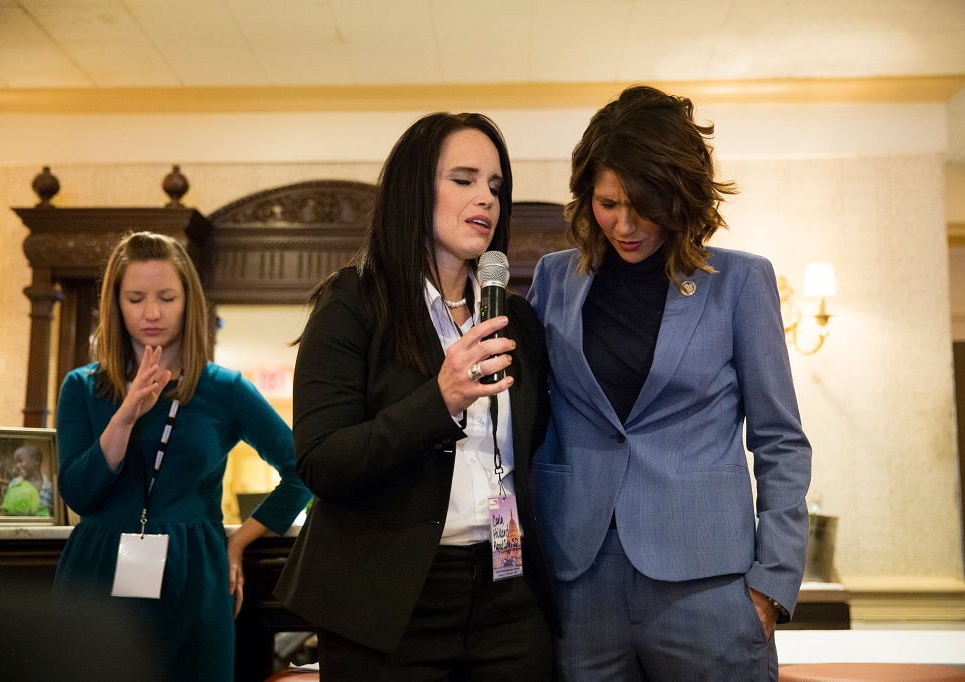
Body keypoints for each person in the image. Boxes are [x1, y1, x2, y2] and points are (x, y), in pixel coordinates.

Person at [528, 85, 813, 680]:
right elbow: (529, 420)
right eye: (608, 204)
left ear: (681, 196)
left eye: (644, 204)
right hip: (579, 578)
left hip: (709, 584)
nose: (625, 224)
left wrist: (772, 584)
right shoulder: (554, 280)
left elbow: (780, 441)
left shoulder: (740, 281)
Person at [276, 112, 558, 680]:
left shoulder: (516, 319)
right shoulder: (353, 303)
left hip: (507, 591)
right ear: (413, 190)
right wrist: (440, 399)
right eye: (464, 179)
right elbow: (322, 462)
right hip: (388, 601)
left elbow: (534, 451)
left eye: (496, 186)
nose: (486, 198)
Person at [53, 231, 311, 682]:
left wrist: (239, 541)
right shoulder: (82, 387)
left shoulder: (224, 388)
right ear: (115, 304)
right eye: (135, 298)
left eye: (167, 297)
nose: (152, 313)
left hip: (194, 572)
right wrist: (125, 415)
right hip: (98, 570)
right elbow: (78, 494)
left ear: (189, 301)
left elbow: (303, 470)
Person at [3, 445, 53, 515]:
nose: (17, 465)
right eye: (16, 463)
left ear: (36, 461)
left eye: (20, 461)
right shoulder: (14, 484)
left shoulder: (50, 488)